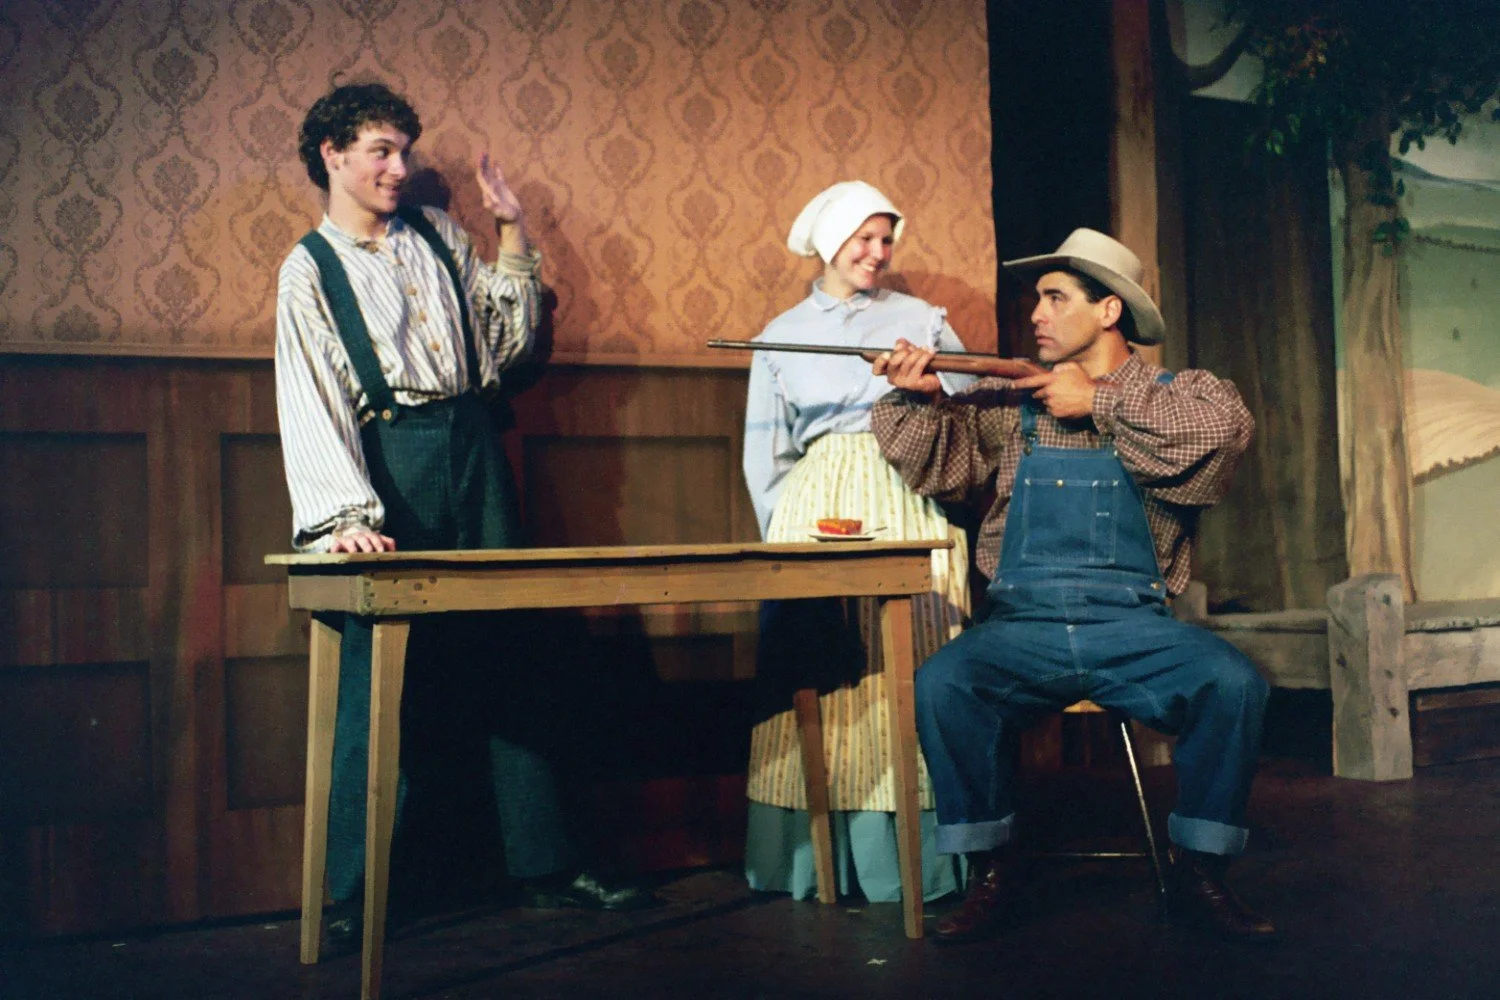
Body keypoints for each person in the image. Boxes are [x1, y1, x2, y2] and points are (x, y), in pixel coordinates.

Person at [274, 81, 651, 954]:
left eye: (404, 151)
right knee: (379, 678)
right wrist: (346, 515)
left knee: (514, 653)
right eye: (380, 151)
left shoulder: (440, 237)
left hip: (477, 447)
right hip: (390, 464)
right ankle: (349, 893)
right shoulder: (310, 268)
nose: (399, 168)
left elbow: (509, 348)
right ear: (332, 155)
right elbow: (312, 396)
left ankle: (548, 867)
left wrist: (513, 232)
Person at [870, 228, 1275, 943]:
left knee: (1233, 683)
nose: (1037, 315)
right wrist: (918, 401)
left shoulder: (1178, 394)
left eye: (1056, 298)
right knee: (944, 684)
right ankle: (990, 872)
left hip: (1134, 628)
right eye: (1038, 300)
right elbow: (941, 469)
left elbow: (1225, 436)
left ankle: (1201, 872)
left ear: (1110, 310)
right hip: (1020, 628)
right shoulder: (1009, 401)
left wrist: (1101, 405)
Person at [740, 180, 976, 903]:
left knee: (914, 668)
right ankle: (812, 859)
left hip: (908, 491)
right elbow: (766, 456)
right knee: (823, 674)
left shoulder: (922, 320)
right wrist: (782, 542)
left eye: (886, 240)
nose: (877, 253)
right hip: (818, 506)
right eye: (863, 239)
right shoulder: (780, 332)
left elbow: (975, 406)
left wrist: (933, 388)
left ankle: (923, 860)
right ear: (828, 242)